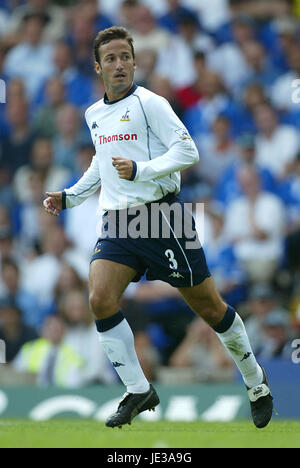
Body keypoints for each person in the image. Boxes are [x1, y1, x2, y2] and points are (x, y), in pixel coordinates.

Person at [43, 26, 273, 429]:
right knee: (99, 296)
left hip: (163, 216)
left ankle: (255, 380)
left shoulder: (151, 104)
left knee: (210, 308)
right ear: (98, 67)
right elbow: (102, 161)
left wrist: (141, 171)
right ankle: (138, 389)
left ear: (134, 62)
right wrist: (71, 196)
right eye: (110, 59)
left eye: (125, 57)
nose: (119, 65)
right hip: (119, 221)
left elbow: (188, 151)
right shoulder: (93, 114)